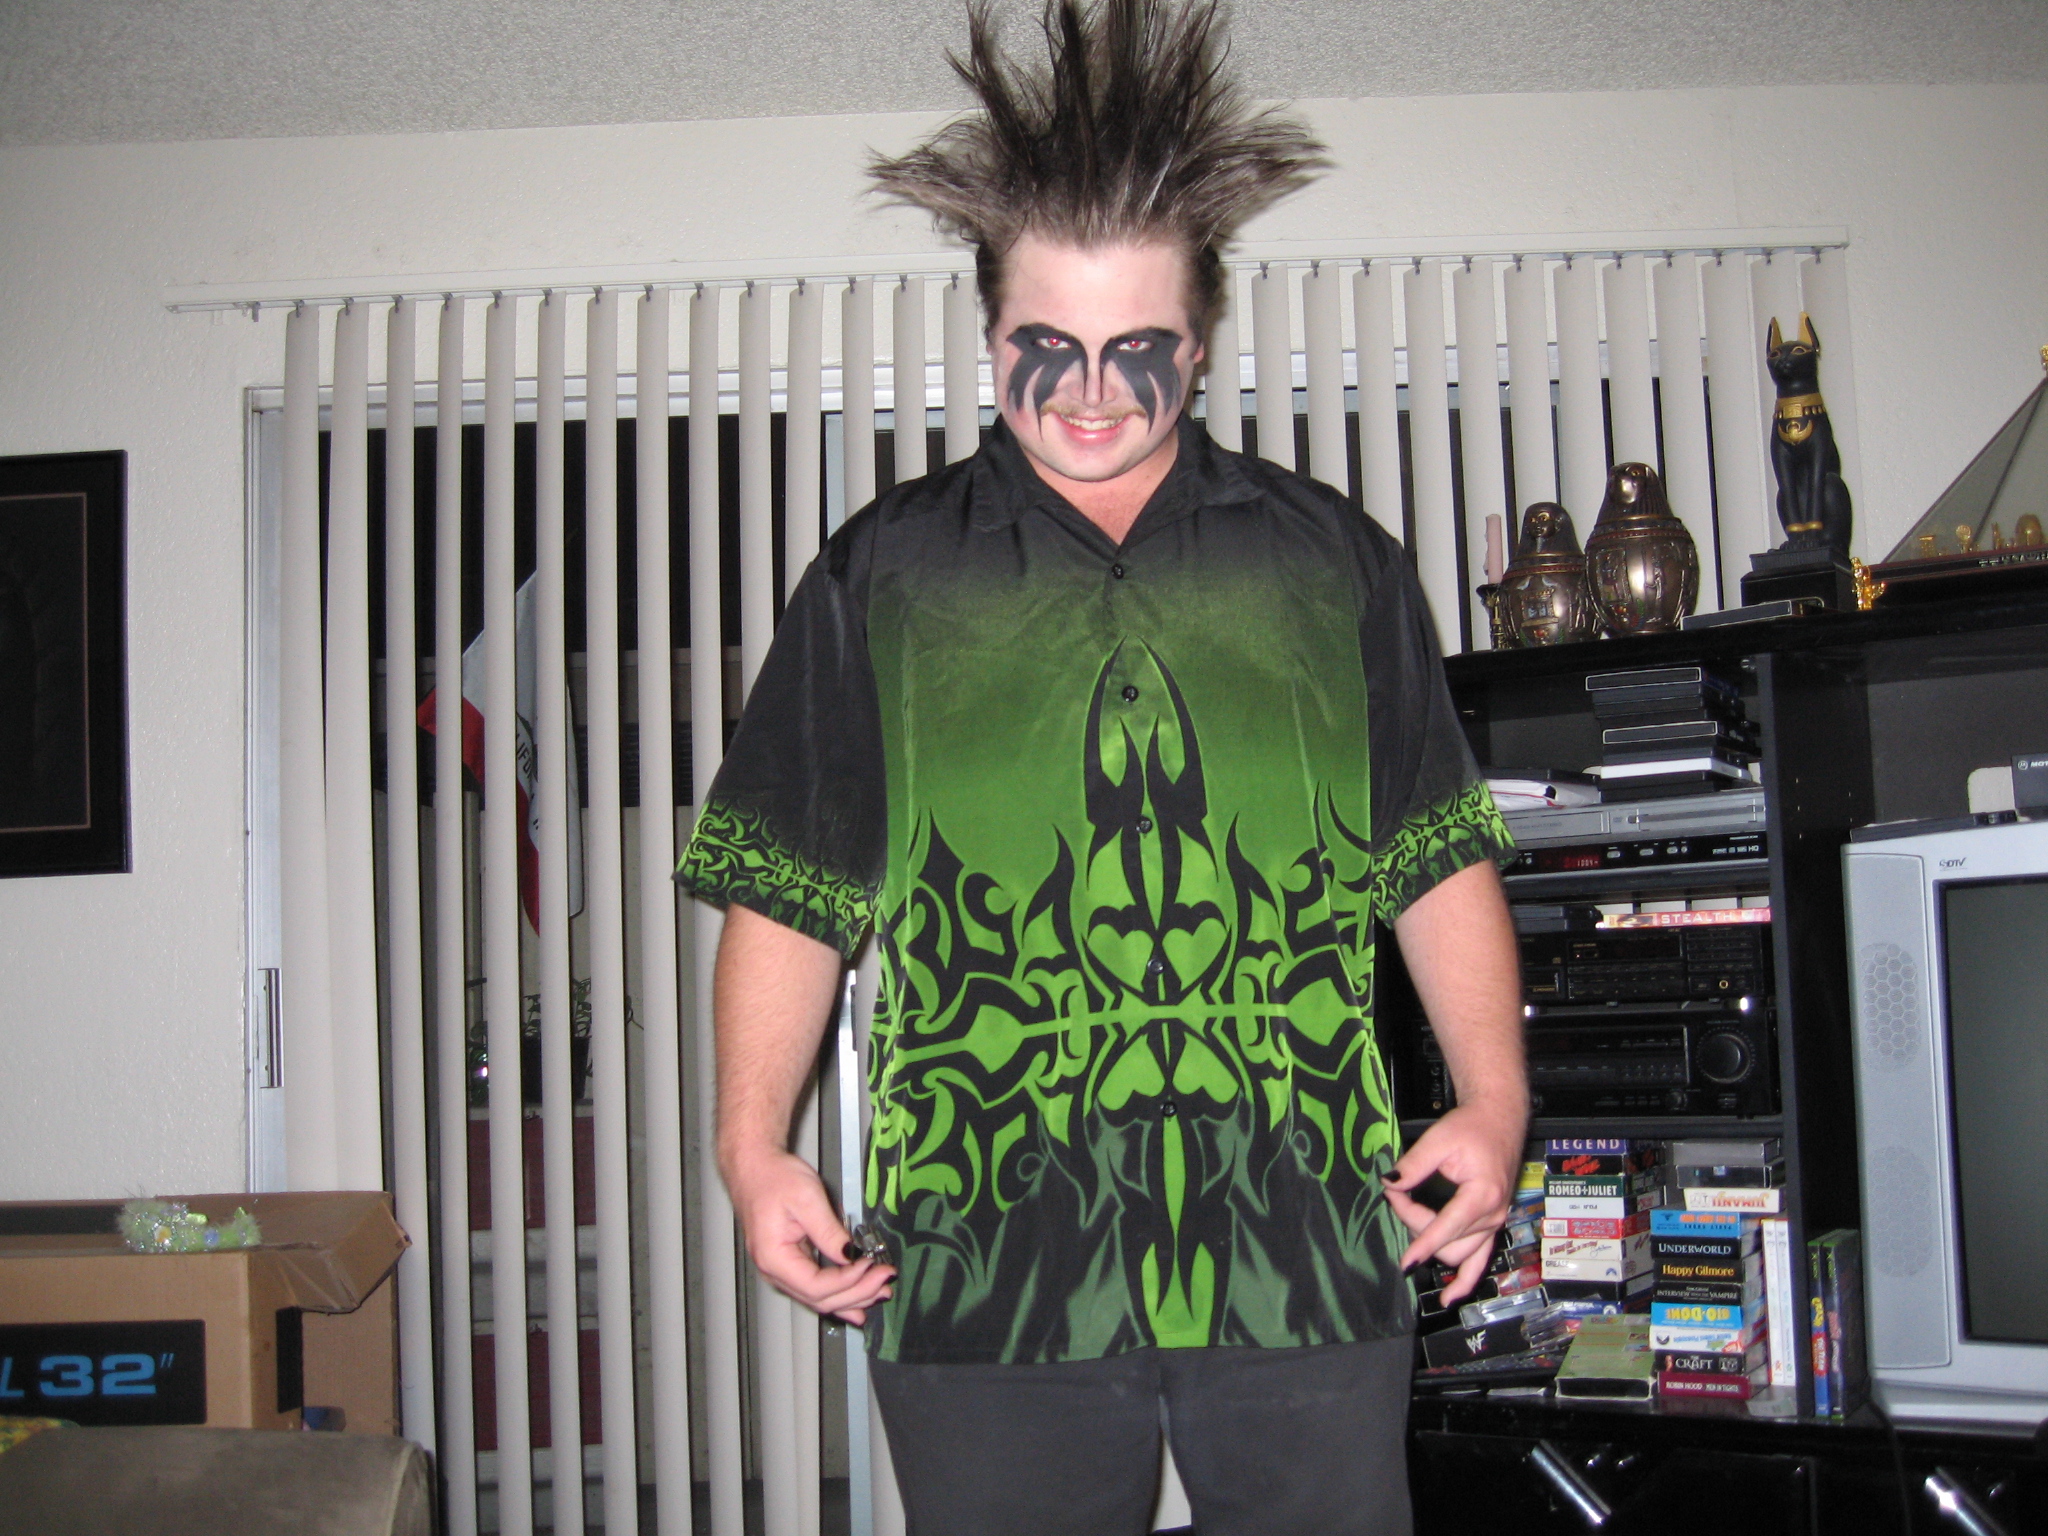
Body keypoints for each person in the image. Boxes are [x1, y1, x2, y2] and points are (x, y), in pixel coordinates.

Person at [676, 2, 1528, 1530]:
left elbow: (1433, 852)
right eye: (1045, 348)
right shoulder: (883, 578)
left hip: (1306, 1248)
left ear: (1199, 342)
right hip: (988, 1267)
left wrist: (1496, 1099)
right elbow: (791, 887)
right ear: (990, 337)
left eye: (1138, 349)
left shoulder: (1331, 563)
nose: (1090, 389)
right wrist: (752, 1153)